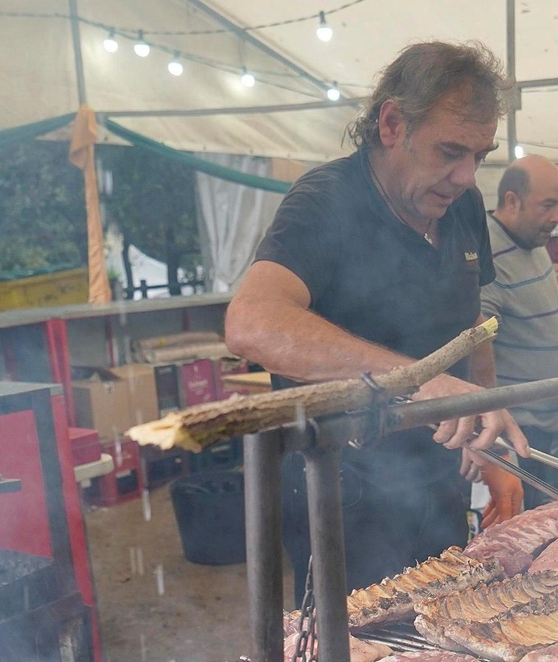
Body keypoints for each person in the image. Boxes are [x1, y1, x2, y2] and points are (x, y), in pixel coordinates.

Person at [225, 41, 528, 594]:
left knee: (441, 645)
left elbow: (472, 330)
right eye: (450, 151)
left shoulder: (461, 206)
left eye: (480, 156)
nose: (465, 175)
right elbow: (252, 323)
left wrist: (490, 439)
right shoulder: (326, 201)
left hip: (437, 481)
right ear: (392, 124)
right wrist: (414, 381)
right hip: (341, 491)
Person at [482, 155, 558, 513]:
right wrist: (494, 445)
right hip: (514, 432)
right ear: (512, 200)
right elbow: (476, 346)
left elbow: (538, 326)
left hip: (545, 423)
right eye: (548, 205)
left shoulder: (531, 240)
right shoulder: (488, 253)